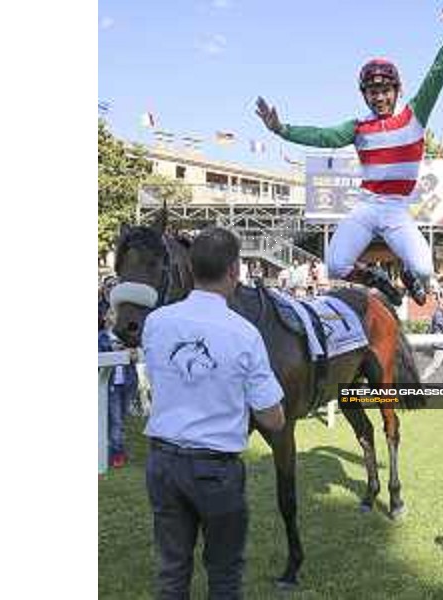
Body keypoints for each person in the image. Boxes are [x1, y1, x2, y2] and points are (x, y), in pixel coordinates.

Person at [255, 1, 443, 306]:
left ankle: (407, 273)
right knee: (335, 266)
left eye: (385, 90)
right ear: (365, 95)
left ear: (397, 90)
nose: (379, 97)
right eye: (372, 92)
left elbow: (438, 74)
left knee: (423, 269)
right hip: (366, 208)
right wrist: (281, 129)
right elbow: (322, 135)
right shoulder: (358, 127)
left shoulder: (415, 114)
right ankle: (376, 279)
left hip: (396, 210)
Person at [142, 226, 286, 600]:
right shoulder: (244, 333)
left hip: (163, 463)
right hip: (215, 470)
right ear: (235, 271)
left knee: (171, 573)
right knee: (223, 577)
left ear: (190, 267)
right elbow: (273, 418)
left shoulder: (157, 323)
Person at [98, 309, 139, 468]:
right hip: (111, 384)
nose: (115, 317)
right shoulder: (100, 337)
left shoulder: (127, 336)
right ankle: (116, 453)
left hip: (128, 382)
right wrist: (112, 351)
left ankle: (117, 450)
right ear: (105, 317)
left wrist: (133, 353)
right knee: (115, 420)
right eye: (112, 313)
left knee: (121, 419)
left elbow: (136, 356)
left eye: (117, 314)